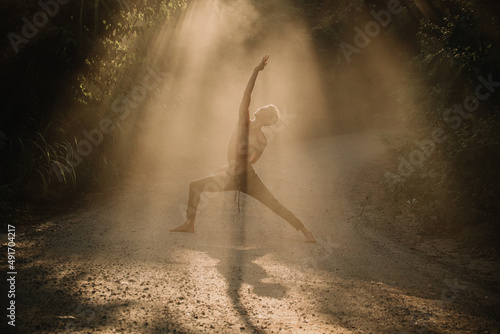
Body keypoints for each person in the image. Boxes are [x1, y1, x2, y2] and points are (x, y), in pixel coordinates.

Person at [170, 55, 315, 243]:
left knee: (273, 204)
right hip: (233, 177)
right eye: (263, 107)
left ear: (267, 120)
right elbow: (247, 95)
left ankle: (305, 231)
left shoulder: (260, 138)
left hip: (248, 179)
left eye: (265, 110)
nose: (260, 109)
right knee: (195, 186)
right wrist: (255, 71)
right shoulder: (244, 121)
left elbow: (253, 159)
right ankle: (189, 224)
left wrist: (237, 166)